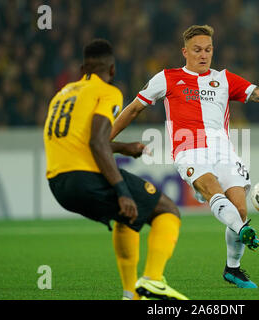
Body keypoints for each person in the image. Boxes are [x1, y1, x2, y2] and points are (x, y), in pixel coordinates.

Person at [110, 25, 259, 288]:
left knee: (240, 209)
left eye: (208, 50)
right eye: (197, 50)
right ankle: (243, 231)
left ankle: (233, 268)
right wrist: (107, 137)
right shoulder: (167, 78)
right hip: (188, 150)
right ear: (185, 52)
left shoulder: (225, 79)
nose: (203, 55)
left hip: (224, 151)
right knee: (212, 190)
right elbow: (134, 108)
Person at [43, 39, 188, 300]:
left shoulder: (62, 94)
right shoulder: (108, 91)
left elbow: (80, 141)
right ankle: (153, 279)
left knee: (128, 216)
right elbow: (97, 141)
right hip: (84, 177)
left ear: (82, 68)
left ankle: (130, 294)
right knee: (167, 209)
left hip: (57, 183)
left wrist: (122, 148)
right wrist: (121, 190)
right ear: (112, 70)